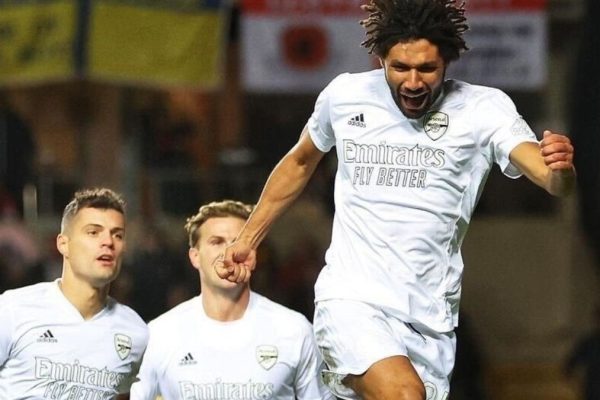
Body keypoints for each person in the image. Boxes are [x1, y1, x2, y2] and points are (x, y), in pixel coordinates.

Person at [219, 1, 576, 399]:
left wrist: (559, 168)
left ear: (447, 62)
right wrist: (248, 239)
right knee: (405, 395)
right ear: (381, 60)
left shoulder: (483, 109)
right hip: (352, 301)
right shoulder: (346, 95)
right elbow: (300, 162)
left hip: (430, 319)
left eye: (427, 68)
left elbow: (550, 178)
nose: (413, 82)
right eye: (400, 67)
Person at [129, 200, 334, 400]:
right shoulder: (159, 335)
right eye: (216, 242)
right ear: (195, 256)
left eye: (238, 242)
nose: (229, 252)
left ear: (253, 255)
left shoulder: (295, 331)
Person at [0, 188, 148, 399]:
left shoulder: (135, 332)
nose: (108, 242)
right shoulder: (12, 310)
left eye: (118, 235)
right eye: (93, 232)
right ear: (63, 244)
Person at [563, 307, 600, 400]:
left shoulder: (588, 341)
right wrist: (573, 378)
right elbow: (571, 362)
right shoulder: (588, 342)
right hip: (593, 388)